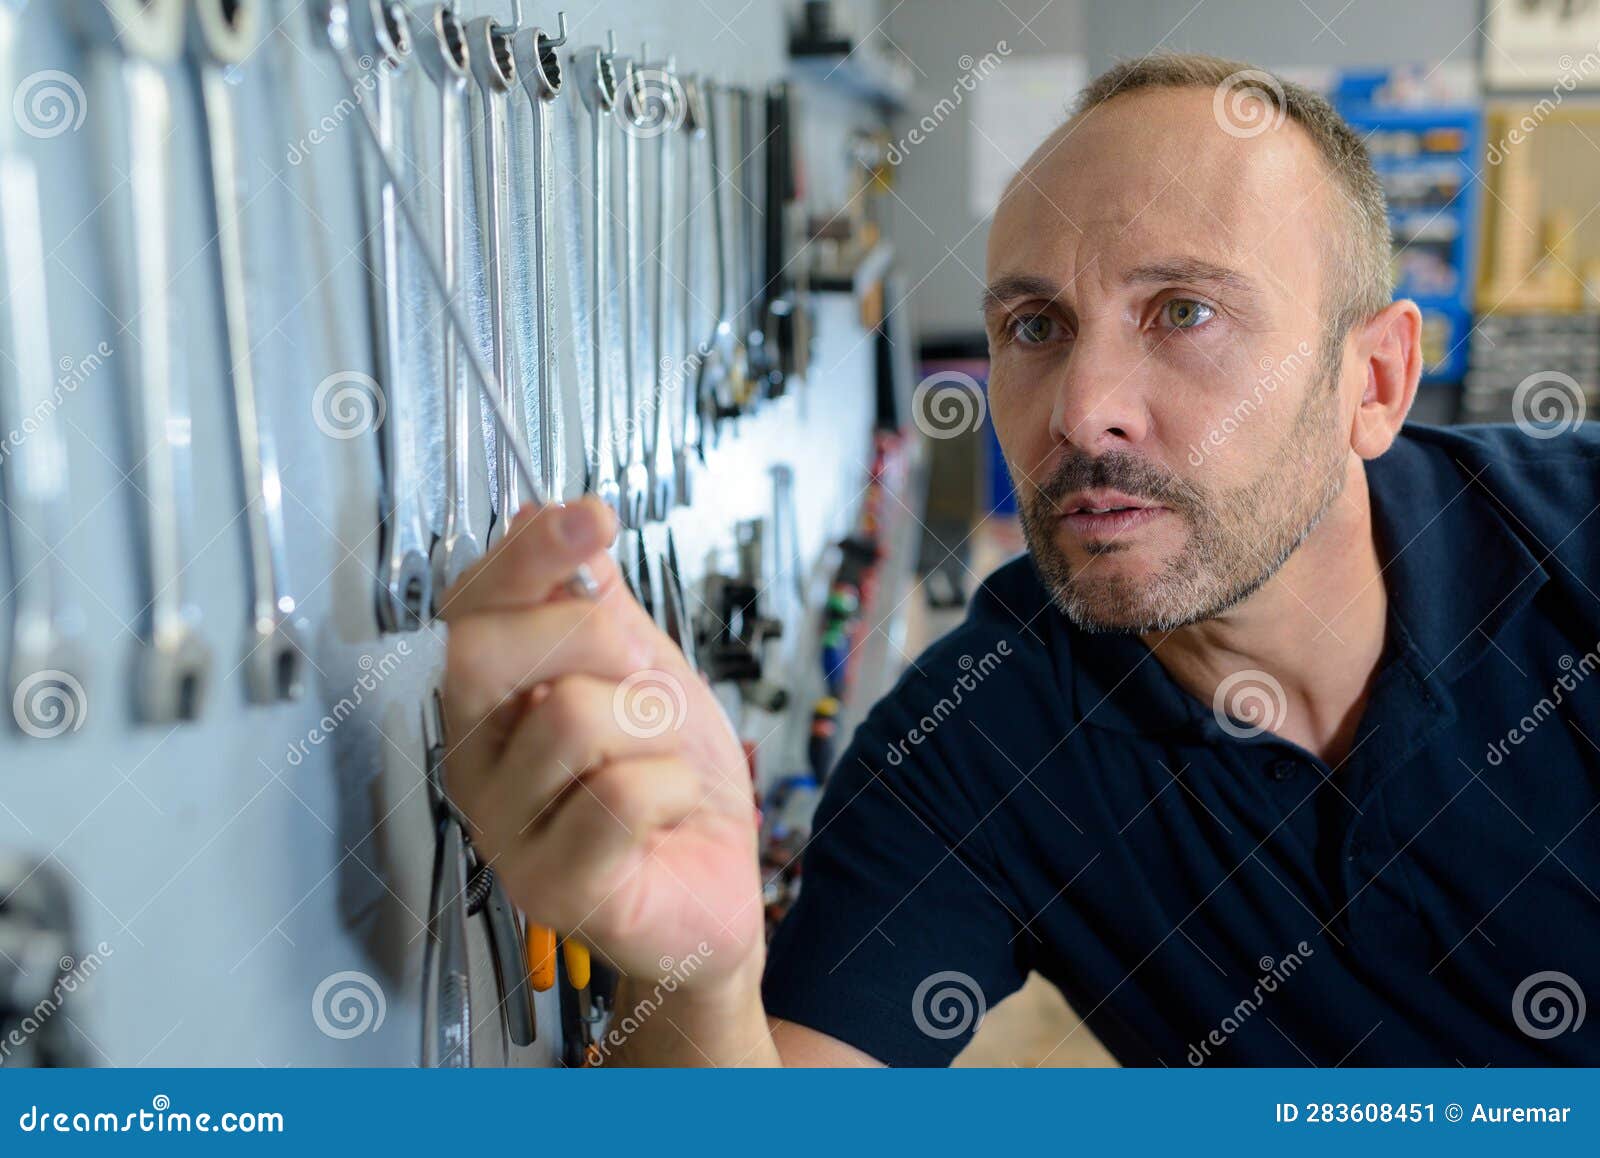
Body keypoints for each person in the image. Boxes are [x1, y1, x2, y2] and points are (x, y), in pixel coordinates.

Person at [439, 52, 1600, 1066]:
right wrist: (694, 968)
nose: (1082, 410)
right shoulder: (980, 739)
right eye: (1034, 328)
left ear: (1376, 382)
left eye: (1184, 312)